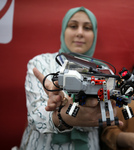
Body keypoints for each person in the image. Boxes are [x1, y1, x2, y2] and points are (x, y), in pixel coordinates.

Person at [20, 6, 106, 150]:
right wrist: (64, 113)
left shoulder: (104, 71)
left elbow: (106, 115)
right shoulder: (40, 63)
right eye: (73, 26)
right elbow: (36, 118)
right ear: (63, 31)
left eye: (87, 28)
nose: (80, 33)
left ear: (94, 34)